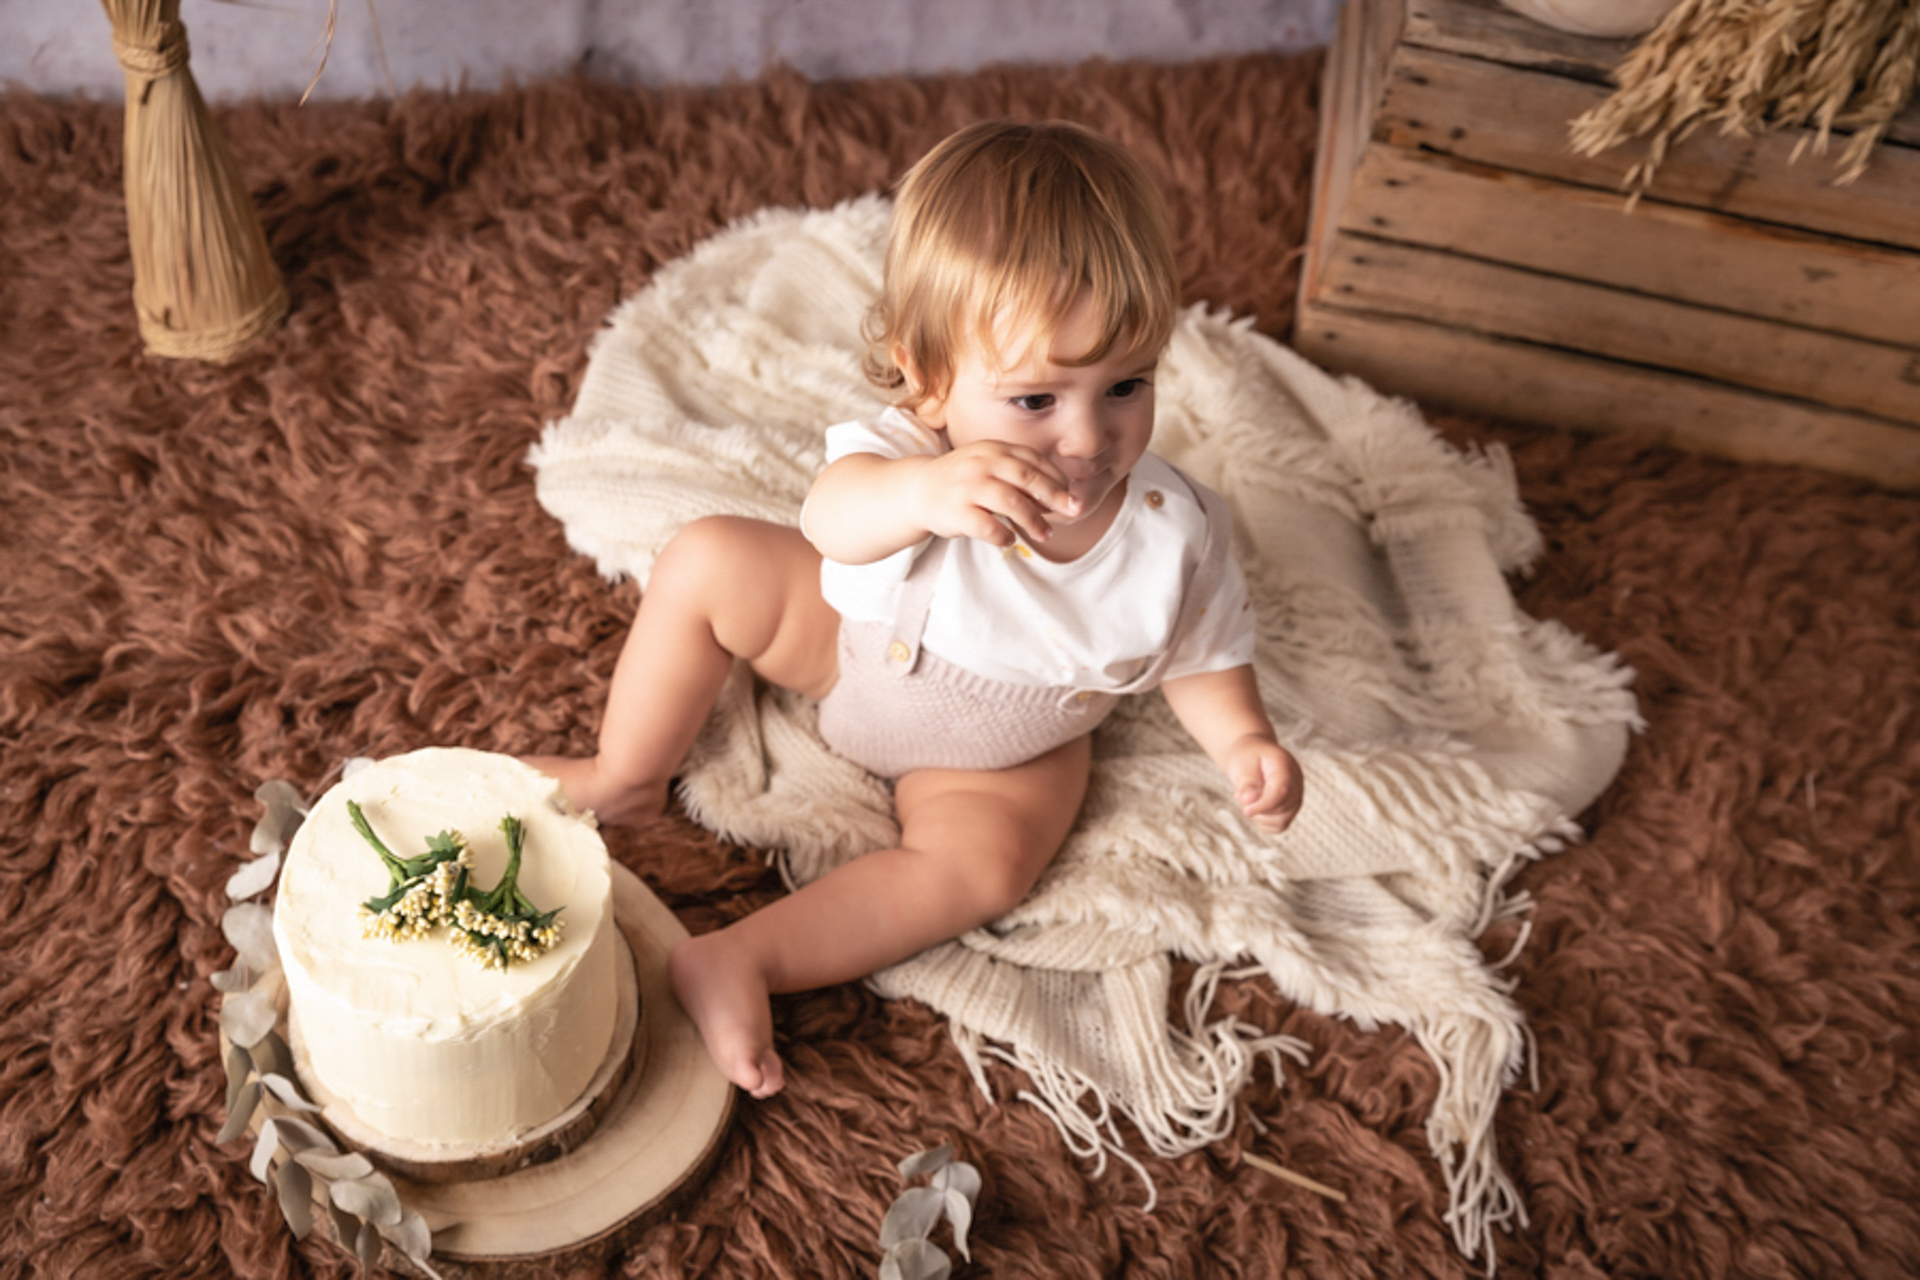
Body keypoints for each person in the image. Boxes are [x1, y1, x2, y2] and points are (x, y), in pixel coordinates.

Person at [532, 120, 1303, 1099]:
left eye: (1125, 386)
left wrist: (1244, 741)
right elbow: (830, 517)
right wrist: (923, 492)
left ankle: (742, 957)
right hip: (851, 647)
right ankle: (627, 774)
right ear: (930, 379)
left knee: (985, 870)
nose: (1087, 437)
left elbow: (1203, 651)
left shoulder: (1171, 533)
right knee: (703, 558)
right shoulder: (910, 452)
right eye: (1035, 400)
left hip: (1006, 751)